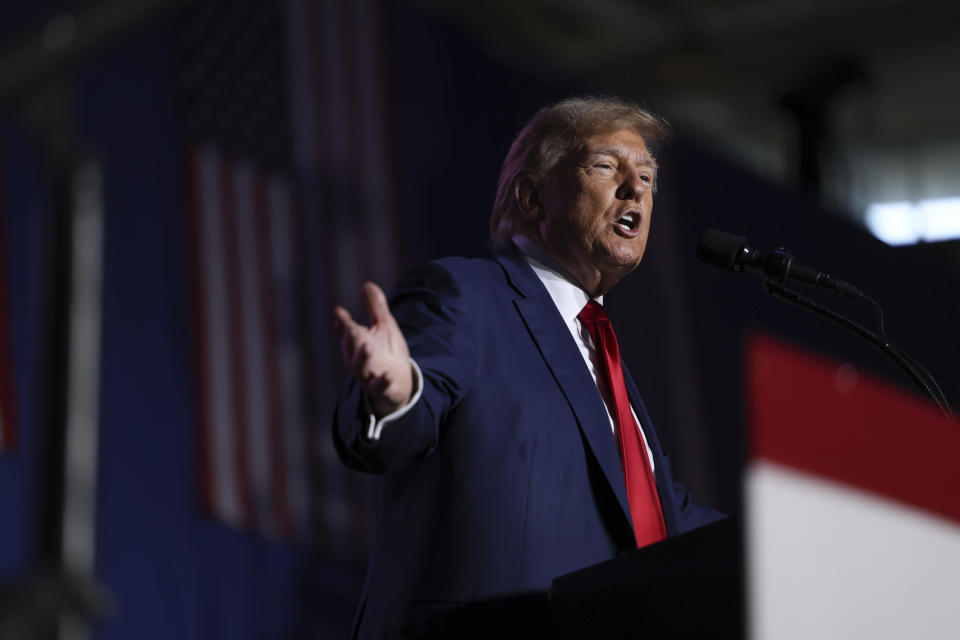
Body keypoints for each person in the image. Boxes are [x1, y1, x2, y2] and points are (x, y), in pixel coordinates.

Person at [333, 96, 723, 639]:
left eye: (648, 177)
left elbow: (666, 522)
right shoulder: (466, 296)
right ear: (533, 196)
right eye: (607, 166)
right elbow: (400, 420)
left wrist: (794, 550)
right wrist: (394, 396)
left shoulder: (605, 360)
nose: (636, 189)